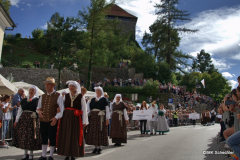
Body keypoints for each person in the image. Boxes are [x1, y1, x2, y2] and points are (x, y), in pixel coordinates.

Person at [57, 81, 88, 160]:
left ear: (76, 87)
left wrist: (84, 121)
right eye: (70, 86)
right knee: (66, 135)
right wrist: (59, 110)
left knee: (74, 135)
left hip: (76, 118)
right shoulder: (66, 96)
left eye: (72, 86)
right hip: (66, 118)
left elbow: (84, 109)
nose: (71, 88)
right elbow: (62, 106)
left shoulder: (80, 96)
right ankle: (66, 154)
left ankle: (73, 154)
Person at [37, 77, 64, 160]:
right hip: (43, 120)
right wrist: (39, 112)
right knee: (43, 137)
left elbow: (61, 110)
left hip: (52, 120)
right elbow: (38, 107)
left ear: (53, 85)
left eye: (48, 84)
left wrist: (56, 118)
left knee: (52, 137)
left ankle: (51, 155)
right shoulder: (42, 96)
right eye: (46, 84)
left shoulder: (58, 96)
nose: (46, 86)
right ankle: (43, 155)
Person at [12, 86, 41, 160]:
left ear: (35, 92)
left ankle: (31, 154)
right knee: (24, 136)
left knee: (31, 136)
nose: (31, 91)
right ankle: (25, 154)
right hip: (24, 120)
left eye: (33, 90)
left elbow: (39, 109)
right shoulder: (24, 100)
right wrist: (16, 120)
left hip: (32, 119)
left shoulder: (37, 100)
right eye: (30, 90)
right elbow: (20, 111)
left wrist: (37, 114)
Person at [86, 87, 110, 154]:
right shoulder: (93, 99)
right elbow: (89, 109)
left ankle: (100, 147)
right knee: (94, 131)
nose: (98, 91)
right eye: (96, 90)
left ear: (101, 91)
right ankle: (95, 147)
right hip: (93, 117)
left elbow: (107, 109)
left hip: (101, 116)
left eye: (99, 90)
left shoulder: (104, 99)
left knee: (100, 130)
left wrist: (107, 118)